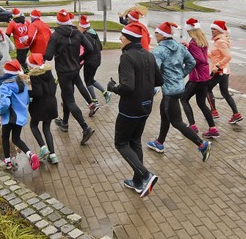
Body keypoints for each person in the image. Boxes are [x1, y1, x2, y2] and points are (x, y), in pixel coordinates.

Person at [106, 21, 163, 198]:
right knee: (135, 141)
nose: (120, 38)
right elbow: (159, 81)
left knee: (121, 143)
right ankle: (138, 182)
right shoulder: (149, 55)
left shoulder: (127, 57)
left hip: (129, 109)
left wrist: (113, 87)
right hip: (146, 107)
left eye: (122, 35)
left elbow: (128, 87)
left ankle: (146, 175)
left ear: (129, 38)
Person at [146, 21, 211, 160]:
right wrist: (181, 75)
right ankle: (159, 143)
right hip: (179, 87)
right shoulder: (179, 46)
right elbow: (192, 62)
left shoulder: (159, 51)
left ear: (162, 35)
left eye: (156, 33)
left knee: (177, 122)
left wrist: (153, 86)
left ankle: (202, 144)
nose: (154, 35)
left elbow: (155, 71)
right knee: (164, 115)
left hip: (170, 91)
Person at [45, 9, 95, 145]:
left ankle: (85, 128)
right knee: (66, 97)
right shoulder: (77, 32)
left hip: (63, 72)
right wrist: (79, 59)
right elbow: (90, 48)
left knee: (69, 100)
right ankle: (65, 123)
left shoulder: (55, 35)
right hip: (75, 69)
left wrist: (52, 51)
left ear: (58, 22)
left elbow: (48, 56)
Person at [180, 18, 219, 139]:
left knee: (183, 98)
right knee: (201, 103)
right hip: (204, 76)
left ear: (191, 31)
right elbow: (202, 56)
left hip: (196, 78)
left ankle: (192, 126)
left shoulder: (193, 42)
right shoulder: (202, 40)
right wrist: (188, 49)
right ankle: (213, 128)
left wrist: (186, 55)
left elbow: (199, 59)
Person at [0, 59, 40, 171]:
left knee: (5, 137)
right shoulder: (22, 83)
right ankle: (30, 154)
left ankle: (7, 161)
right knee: (16, 138)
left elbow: (5, 103)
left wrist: (0, 112)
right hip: (20, 116)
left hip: (9, 117)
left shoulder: (5, 86)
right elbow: (26, 100)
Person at [206, 20, 242, 124]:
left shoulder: (220, 41)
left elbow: (228, 56)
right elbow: (215, 56)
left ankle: (213, 112)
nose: (212, 31)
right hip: (224, 70)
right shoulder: (218, 40)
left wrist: (217, 66)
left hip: (219, 70)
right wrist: (203, 54)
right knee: (225, 92)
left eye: (214, 29)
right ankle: (236, 114)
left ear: (219, 30)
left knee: (207, 89)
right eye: (211, 29)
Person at [27, 53, 59, 164]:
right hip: (51, 104)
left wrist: (27, 93)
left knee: (33, 125)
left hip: (40, 106)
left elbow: (38, 93)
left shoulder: (34, 75)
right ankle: (53, 155)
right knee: (47, 128)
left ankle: (43, 148)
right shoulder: (48, 72)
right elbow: (53, 87)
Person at [77, 15, 110, 107]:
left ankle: (94, 101)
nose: (78, 28)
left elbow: (87, 50)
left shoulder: (85, 36)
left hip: (90, 61)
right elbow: (100, 47)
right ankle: (105, 93)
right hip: (97, 60)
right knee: (91, 79)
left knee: (87, 81)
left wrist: (80, 58)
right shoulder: (94, 32)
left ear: (83, 27)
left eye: (79, 27)